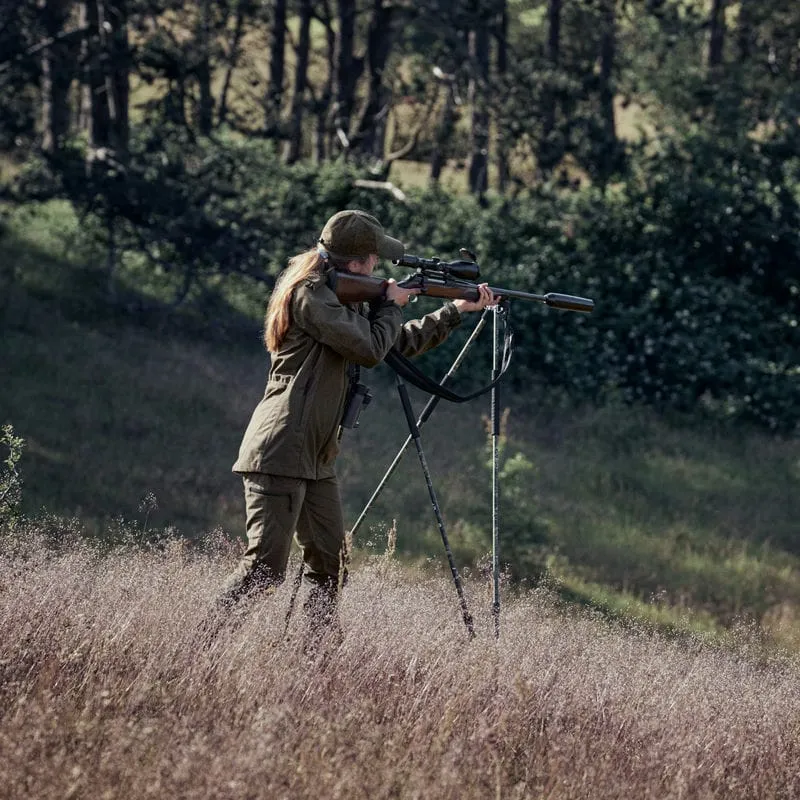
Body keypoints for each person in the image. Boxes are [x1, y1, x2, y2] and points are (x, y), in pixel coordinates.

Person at [216, 209, 495, 648]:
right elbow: (368, 348)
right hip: (282, 448)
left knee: (330, 567)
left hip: (316, 455)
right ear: (357, 262)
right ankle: (196, 651)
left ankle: (317, 659)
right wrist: (389, 303)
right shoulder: (311, 296)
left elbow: (395, 343)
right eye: (374, 258)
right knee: (264, 571)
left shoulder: (348, 300)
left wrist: (456, 309)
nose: (379, 266)